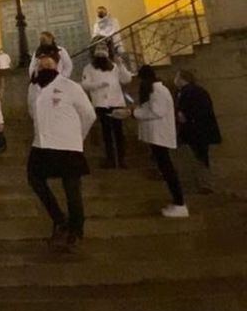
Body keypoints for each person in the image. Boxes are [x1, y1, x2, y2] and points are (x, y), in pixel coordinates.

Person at [27, 46, 96, 252]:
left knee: (72, 190)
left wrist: (77, 138)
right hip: (41, 144)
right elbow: (32, 111)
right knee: (34, 178)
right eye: (42, 62)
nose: (45, 64)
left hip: (67, 146)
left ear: (57, 64)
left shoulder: (70, 86)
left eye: (49, 62)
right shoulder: (33, 87)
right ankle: (59, 219)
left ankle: (75, 230)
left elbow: (89, 115)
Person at [117, 65, 188, 218]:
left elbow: (157, 111)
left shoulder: (158, 90)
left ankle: (180, 203)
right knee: (165, 168)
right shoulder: (155, 90)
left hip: (160, 136)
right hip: (157, 136)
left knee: (168, 169)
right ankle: (177, 202)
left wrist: (134, 113)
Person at [81, 42, 132, 168]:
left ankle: (121, 159)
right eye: (98, 48)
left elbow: (126, 79)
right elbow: (85, 85)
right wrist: (98, 85)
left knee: (119, 133)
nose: (101, 51)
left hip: (116, 103)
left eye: (103, 48)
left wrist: (121, 65)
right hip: (101, 104)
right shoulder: (89, 68)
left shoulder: (114, 66)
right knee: (106, 133)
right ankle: (110, 159)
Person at [174, 70, 221, 193]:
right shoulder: (200, 90)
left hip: (193, 132)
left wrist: (183, 117)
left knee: (196, 157)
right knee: (202, 157)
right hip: (203, 130)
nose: (175, 80)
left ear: (182, 79)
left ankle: (204, 184)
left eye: (176, 77)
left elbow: (183, 115)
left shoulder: (186, 92)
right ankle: (206, 184)